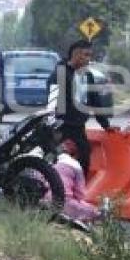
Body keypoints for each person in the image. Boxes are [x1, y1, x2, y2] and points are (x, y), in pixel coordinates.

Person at [47, 39, 114, 176]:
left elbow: (95, 100)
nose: (89, 59)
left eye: (90, 55)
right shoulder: (60, 73)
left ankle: (79, 190)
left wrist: (105, 124)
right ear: (76, 55)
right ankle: (56, 191)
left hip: (78, 126)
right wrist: (53, 127)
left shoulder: (87, 75)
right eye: (86, 55)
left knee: (84, 156)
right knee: (59, 160)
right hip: (61, 126)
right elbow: (51, 103)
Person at [54, 139, 100, 222]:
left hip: (44, 200)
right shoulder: (75, 165)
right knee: (93, 211)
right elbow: (80, 194)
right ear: (76, 155)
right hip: (63, 203)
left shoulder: (51, 162)